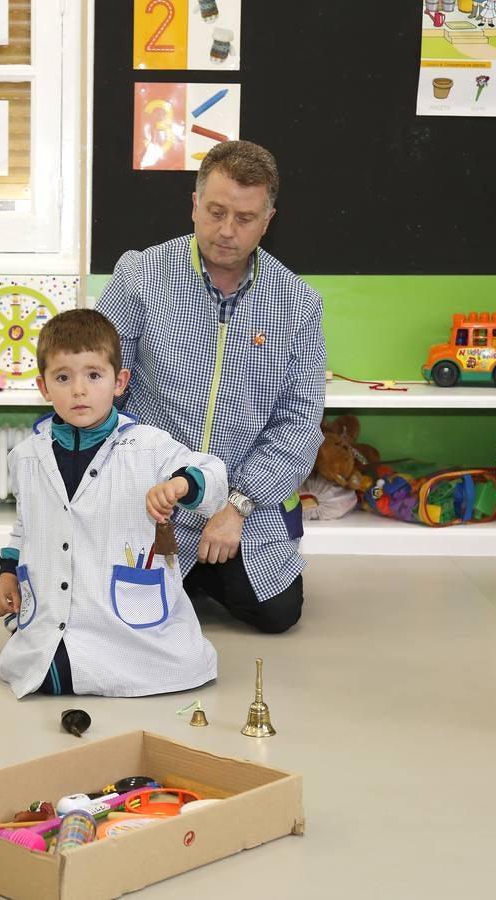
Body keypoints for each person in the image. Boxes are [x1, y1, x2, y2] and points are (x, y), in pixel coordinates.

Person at [96, 140, 326, 634]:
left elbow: (301, 422)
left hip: (238, 499)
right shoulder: (139, 275)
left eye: (244, 218)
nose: (226, 231)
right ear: (195, 204)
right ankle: (183, 575)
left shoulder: (299, 304)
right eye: (216, 211)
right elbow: (99, 381)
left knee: (277, 614)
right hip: (151, 492)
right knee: (116, 613)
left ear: (268, 220)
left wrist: (237, 503)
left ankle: (197, 575)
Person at [0, 309, 227, 698]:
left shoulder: (149, 446)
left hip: (128, 618)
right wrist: (7, 575)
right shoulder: (26, 456)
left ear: (120, 382)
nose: (79, 390)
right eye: (63, 378)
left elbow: (212, 475)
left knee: (155, 668)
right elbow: (23, 527)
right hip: (54, 612)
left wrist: (182, 484)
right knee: (41, 674)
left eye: (94, 376)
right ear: (44, 387)